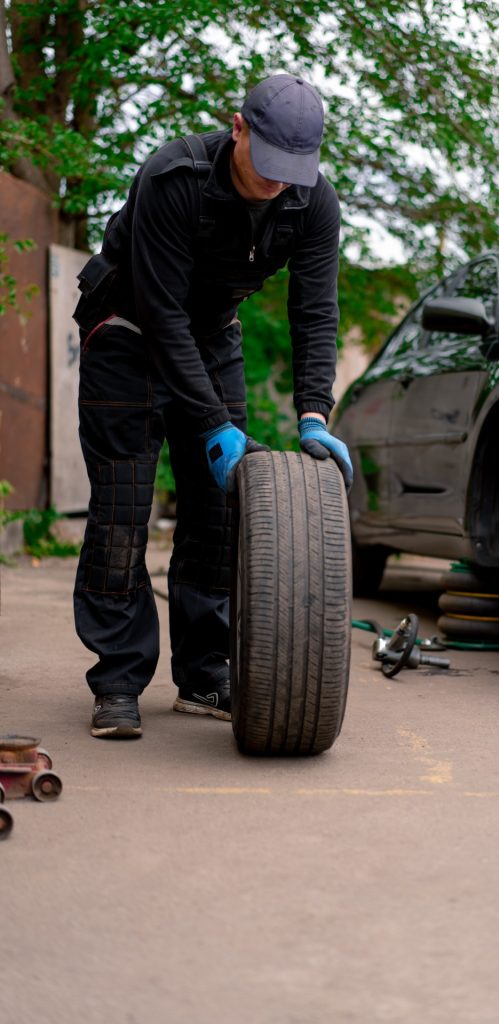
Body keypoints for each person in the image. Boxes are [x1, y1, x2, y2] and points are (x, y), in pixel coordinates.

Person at [73, 74, 353, 739]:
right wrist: (213, 423)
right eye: (266, 166)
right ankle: (117, 677)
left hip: (212, 333)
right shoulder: (172, 179)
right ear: (237, 128)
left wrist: (315, 413)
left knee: (219, 510)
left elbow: (314, 314)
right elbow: (165, 314)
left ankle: (204, 673)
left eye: (292, 172)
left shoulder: (313, 203)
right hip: (130, 331)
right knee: (121, 510)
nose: (276, 183)